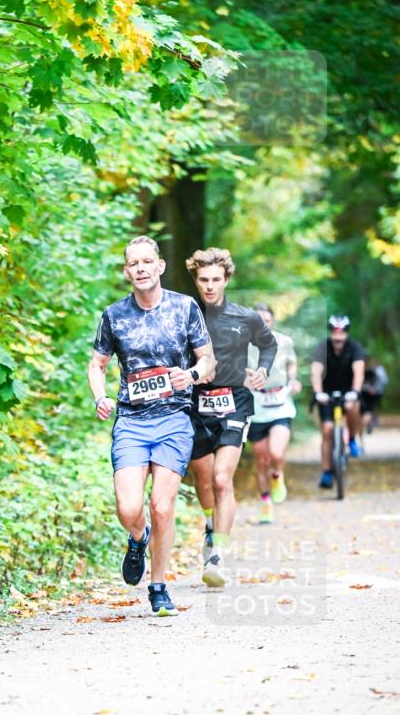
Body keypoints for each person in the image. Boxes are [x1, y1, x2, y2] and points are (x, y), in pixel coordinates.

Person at [88, 235, 215, 616]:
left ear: (160, 266)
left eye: (147, 261)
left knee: (161, 506)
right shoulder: (114, 315)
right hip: (131, 421)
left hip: (174, 418)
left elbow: (208, 360)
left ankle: (158, 587)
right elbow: (97, 365)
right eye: (134, 263)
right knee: (129, 508)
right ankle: (138, 537)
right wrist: (100, 396)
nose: (141, 268)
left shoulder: (185, 307)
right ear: (126, 272)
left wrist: (191, 375)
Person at [185, 248, 277, 588]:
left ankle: (218, 556)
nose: (210, 286)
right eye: (203, 280)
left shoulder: (245, 317)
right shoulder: (184, 316)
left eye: (216, 280)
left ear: (226, 280)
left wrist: (263, 370)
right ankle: (211, 525)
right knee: (203, 481)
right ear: (196, 280)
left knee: (222, 479)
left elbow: (268, 345)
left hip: (234, 402)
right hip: (196, 406)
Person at [247, 303, 302, 524]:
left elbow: (291, 364)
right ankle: (266, 503)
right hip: (256, 405)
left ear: (273, 322)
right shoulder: (243, 344)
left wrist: (293, 381)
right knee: (261, 460)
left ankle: (278, 475)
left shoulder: (284, 341)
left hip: (280, 403)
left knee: (276, 453)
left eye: (267, 321)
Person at [311, 315, 365, 488]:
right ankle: (327, 472)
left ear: (346, 333)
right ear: (330, 332)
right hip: (327, 393)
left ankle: (352, 439)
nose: (338, 337)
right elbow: (316, 372)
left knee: (352, 406)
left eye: (341, 332)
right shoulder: (322, 347)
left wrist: (355, 392)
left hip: (348, 391)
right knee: (327, 430)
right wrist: (318, 392)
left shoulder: (355, 347)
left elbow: (359, 372)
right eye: (334, 332)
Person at [360, 357, 388, 435]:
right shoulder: (374, 370)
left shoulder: (374, 371)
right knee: (371, 408)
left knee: (369, 409)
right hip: (372, 393)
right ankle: (371, 422)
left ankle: (370, 423)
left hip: (371, 393)